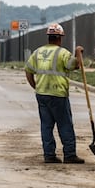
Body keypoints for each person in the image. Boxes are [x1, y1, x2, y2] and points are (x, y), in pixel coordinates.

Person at [25, 23, 86, 164]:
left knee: (46, 125)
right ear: (60, 38)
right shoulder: (62, 53)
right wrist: (78, 52)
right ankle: (70, 154)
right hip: (58, 94)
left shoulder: (38, 52)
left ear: (49, 37)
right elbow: (74, 65)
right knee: (65, 124)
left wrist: (36, 86)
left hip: (42, 94)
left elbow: (28, 71)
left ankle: (49, 154)